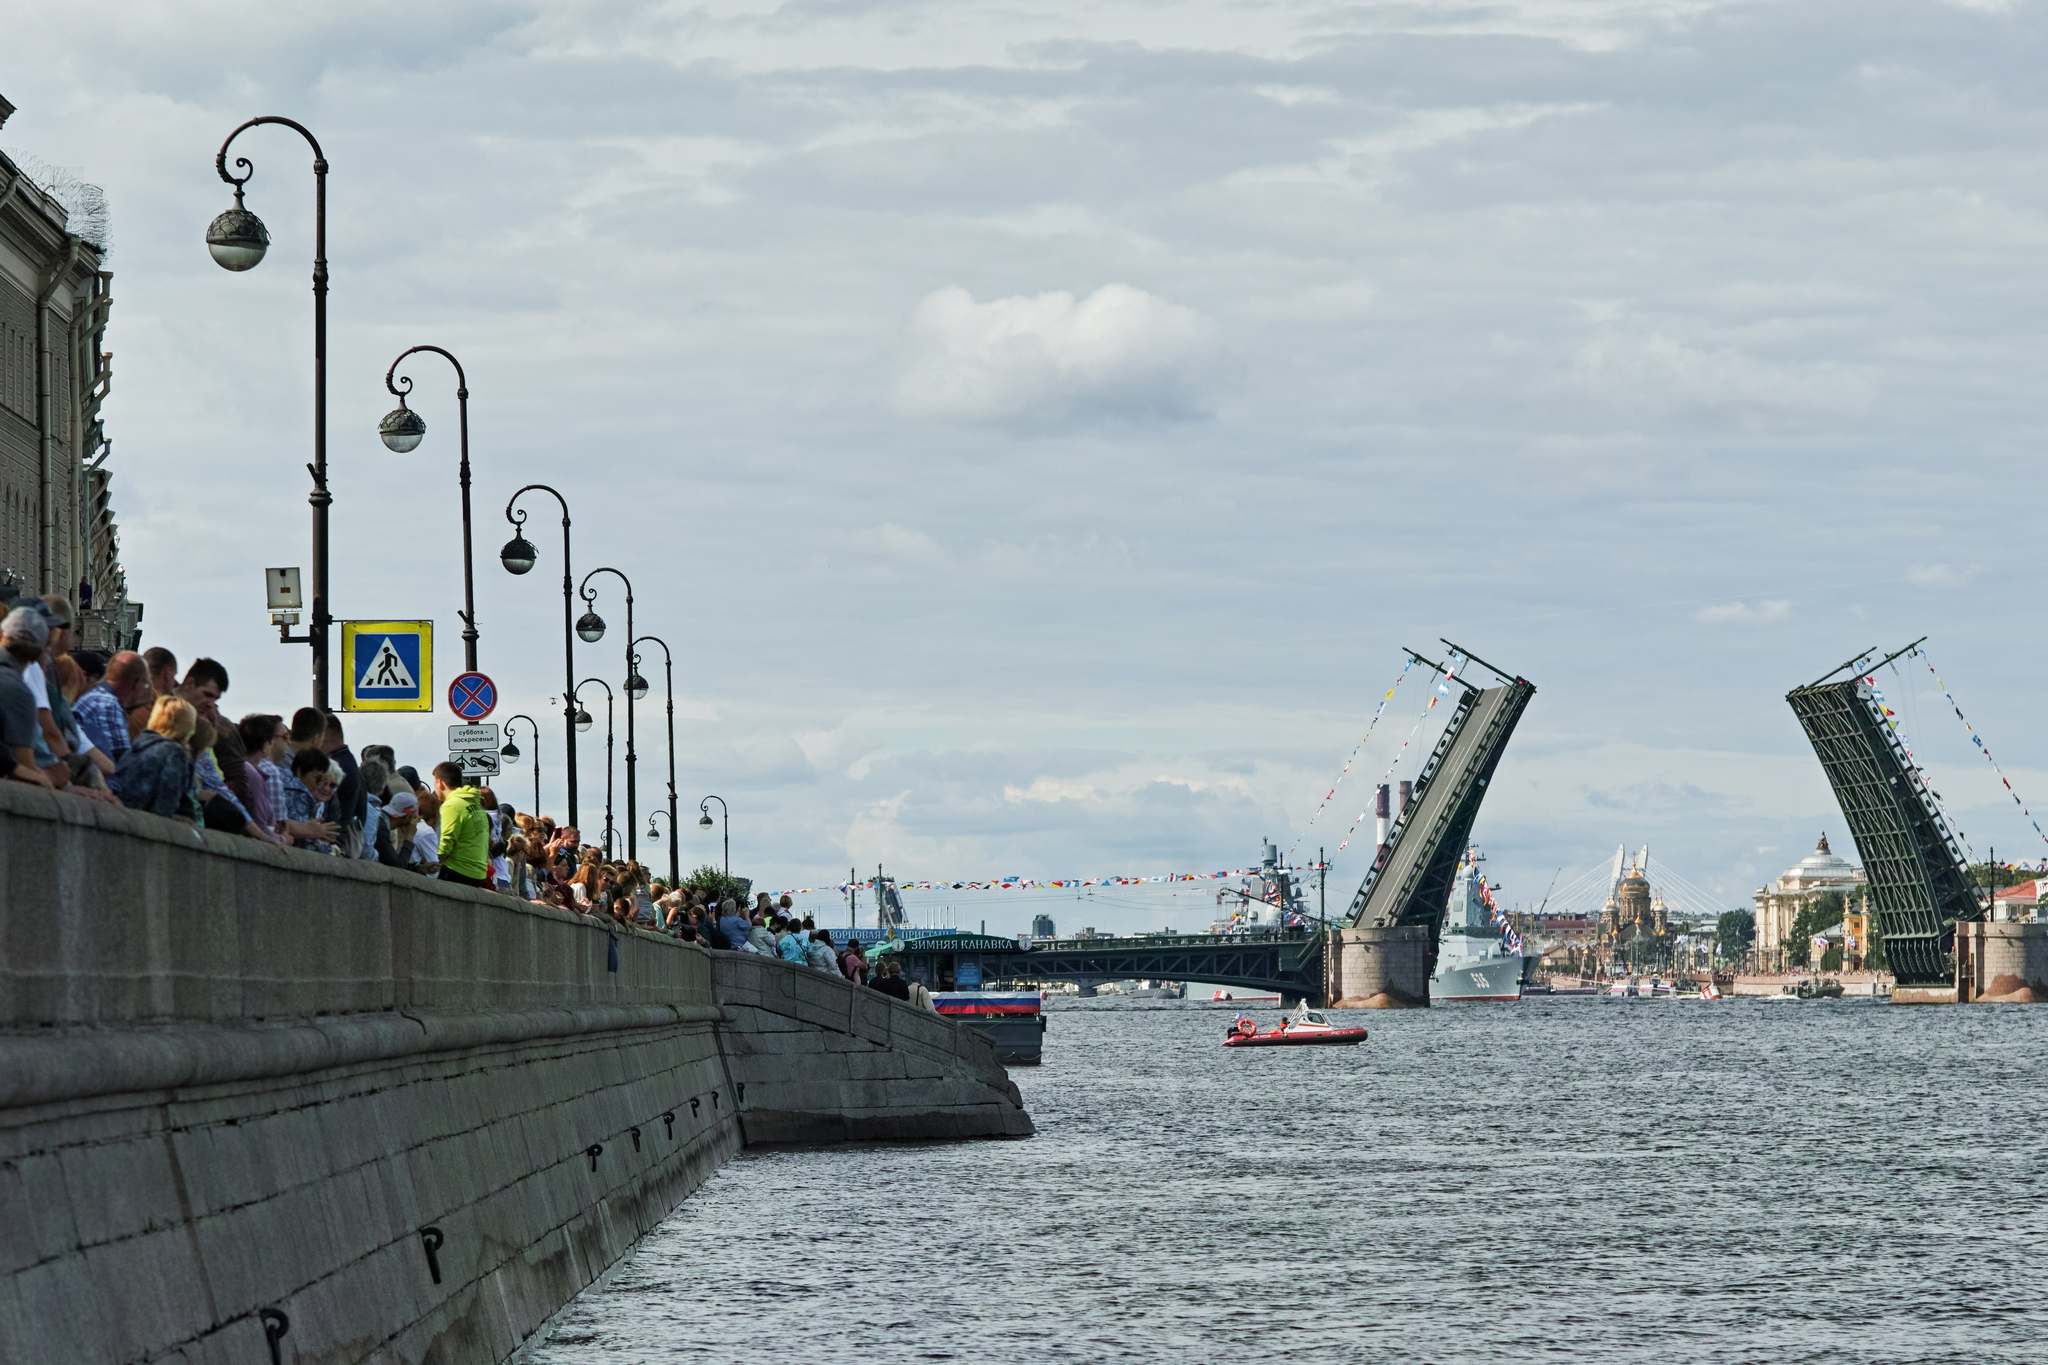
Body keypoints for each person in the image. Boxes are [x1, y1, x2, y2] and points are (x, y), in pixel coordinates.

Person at [114, 696, 200, 820]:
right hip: (143, 823)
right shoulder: (173, 753)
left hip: (122, 814)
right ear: (186, 727)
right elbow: (166, 803)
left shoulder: (137, 746)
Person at [0, 607, 54, 787]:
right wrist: (53, 782)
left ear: (1, 634)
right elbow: (24, 765)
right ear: (40, 653)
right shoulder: (18, 692)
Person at [74, 650, 150, 769]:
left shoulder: (94, 696)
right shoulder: (109, 705)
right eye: (144, 684)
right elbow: (124, 762)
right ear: (136, 683)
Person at [431, 761, 491, 888]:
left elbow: (445, 842)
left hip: (458, 871)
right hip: (478, 873)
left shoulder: (452, 805)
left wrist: (433, 861)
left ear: (439, 782)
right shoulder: (475, 804)